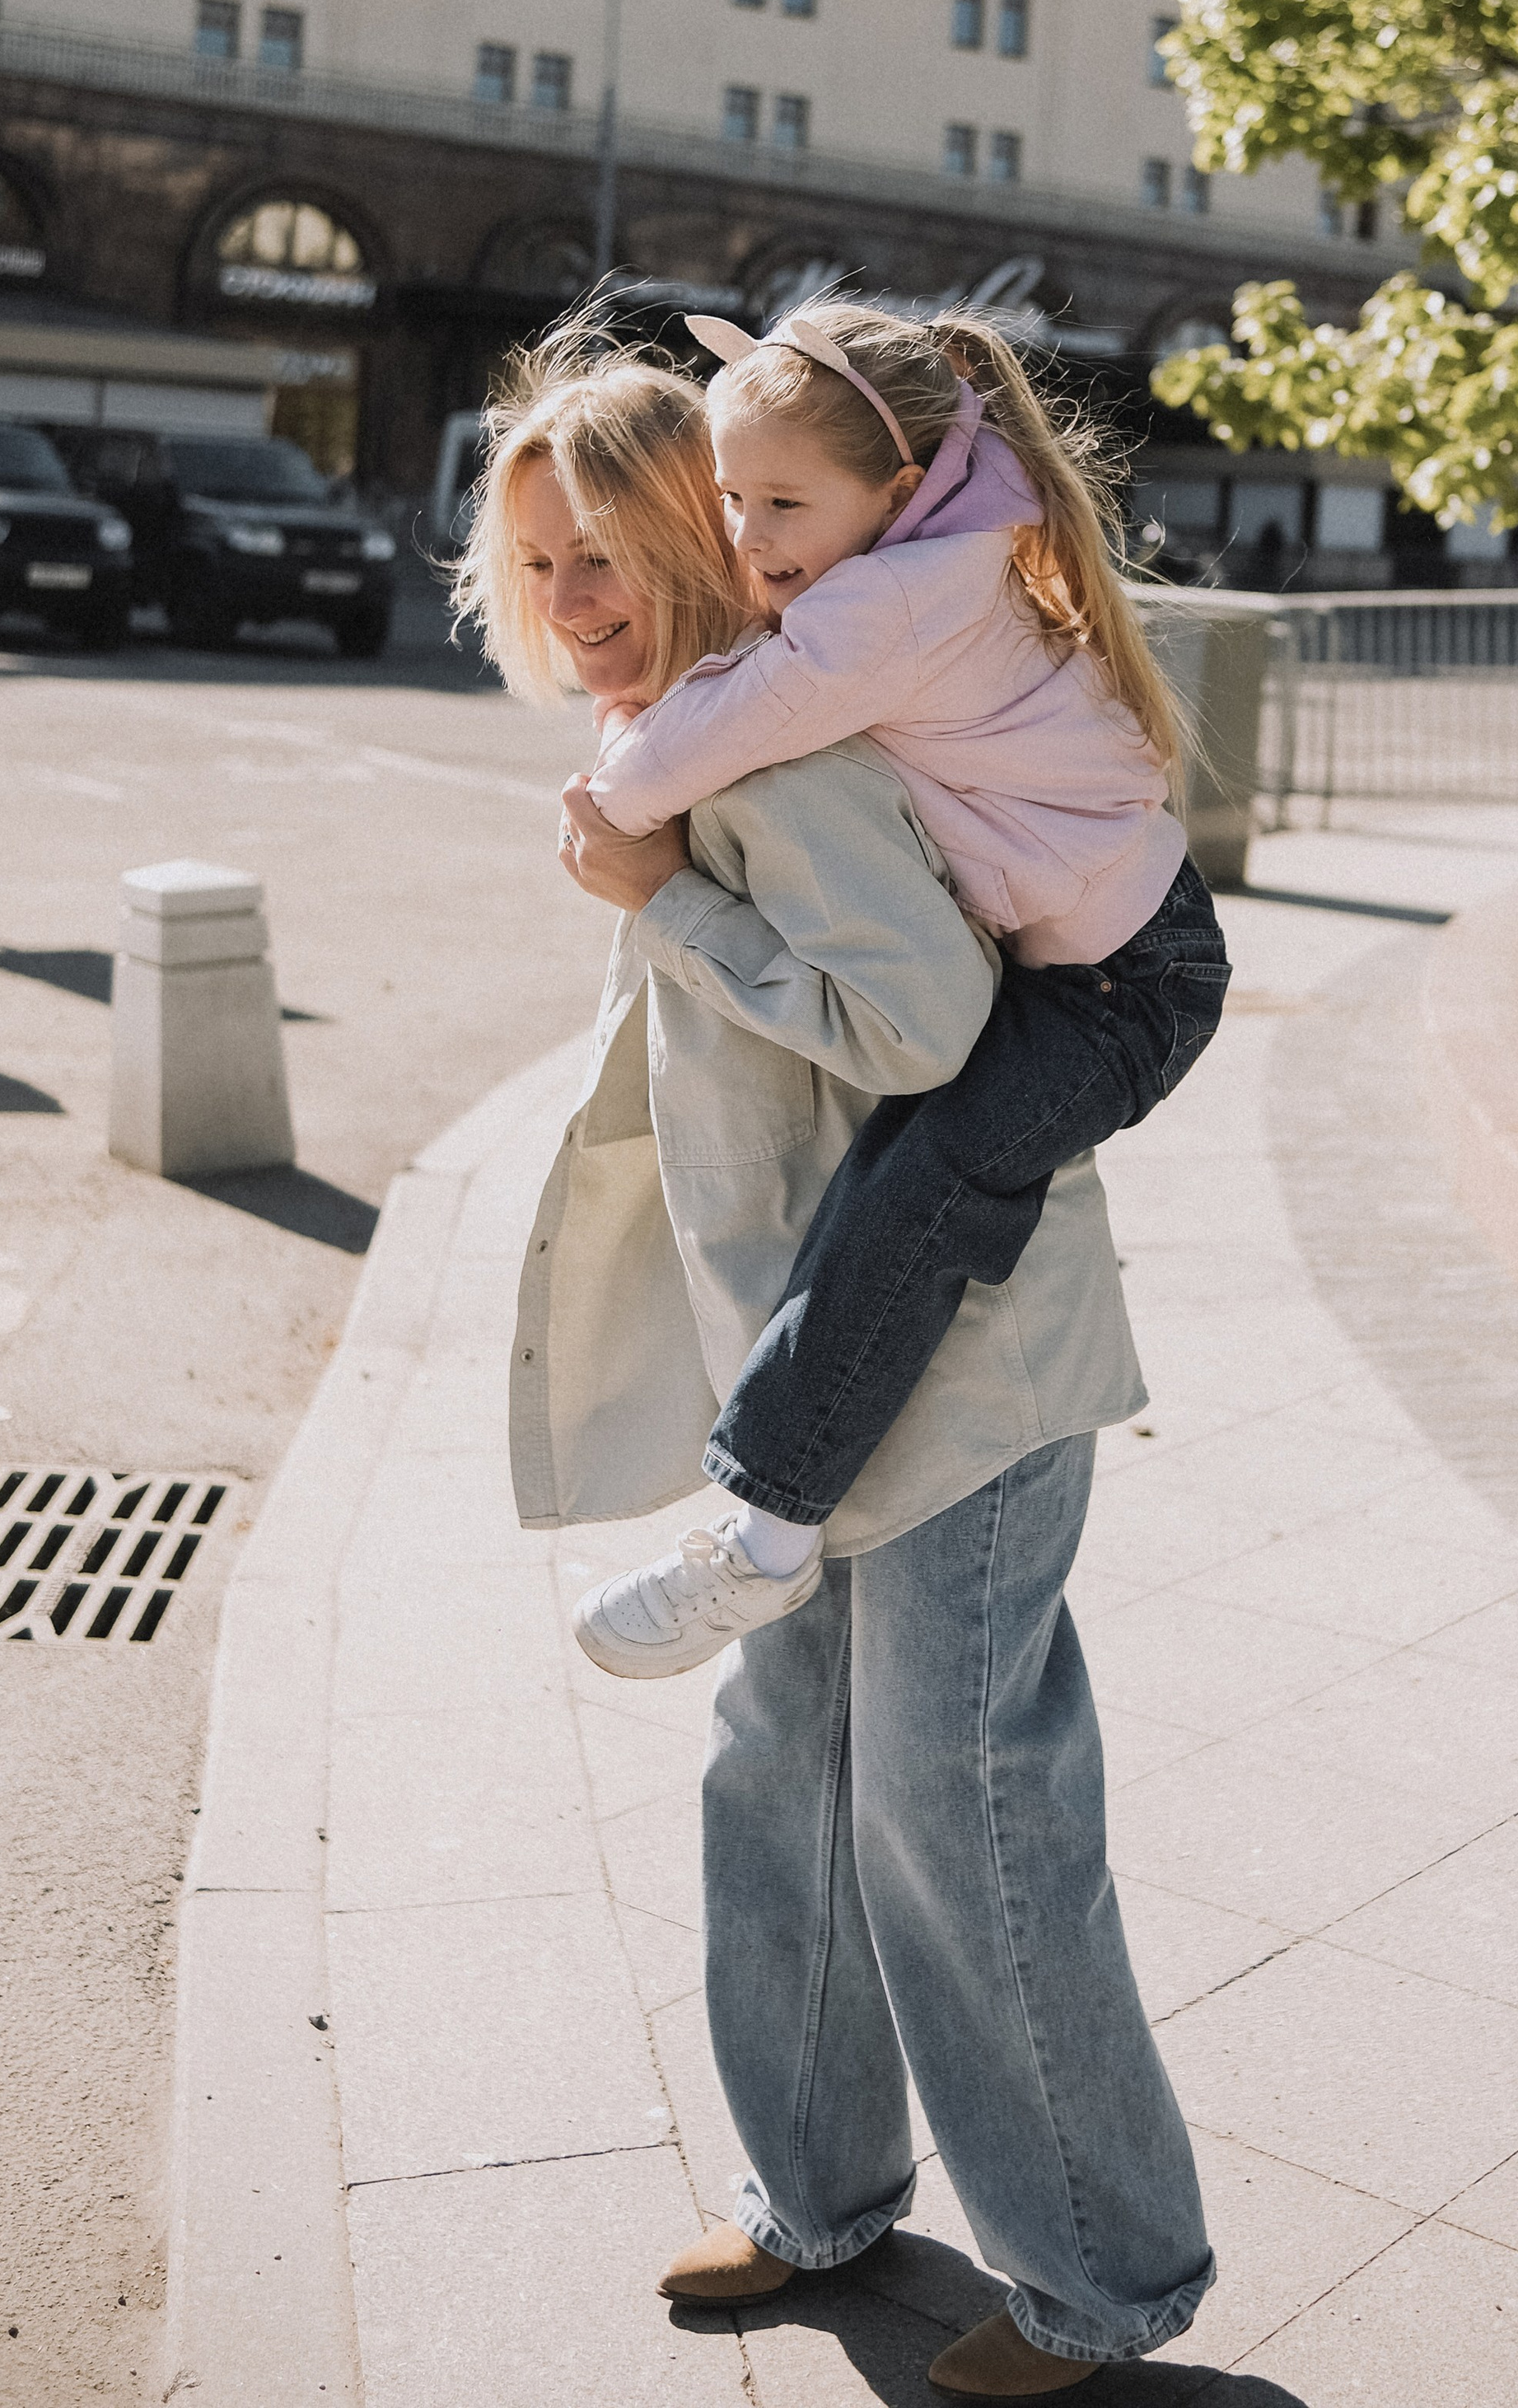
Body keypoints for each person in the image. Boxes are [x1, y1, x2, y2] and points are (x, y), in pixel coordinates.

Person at [455, 320, 1216, 2398]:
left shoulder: (782, 764)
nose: (571, 601)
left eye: (605, 551)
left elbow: (925, 1037)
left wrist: (668, 906)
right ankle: (816, 2198)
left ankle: (1098, 2287)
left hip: (959, 1384)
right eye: (537, 565)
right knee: (780, 1785)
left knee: (959, 1817)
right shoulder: (704, 740)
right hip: (810, 1396)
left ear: (707, 540)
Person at [572, 300, 1230, 1676]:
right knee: (917, 1180)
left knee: (922, 1187)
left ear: (899, 488)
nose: (749, 537)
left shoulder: (888, 607)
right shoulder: (926, 566)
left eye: (783, 504)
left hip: (1129, 985)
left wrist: (611, 810)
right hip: (1101, 965)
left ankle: (766, 1533)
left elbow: (734, 722)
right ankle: (779, 1512)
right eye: (732, 499)